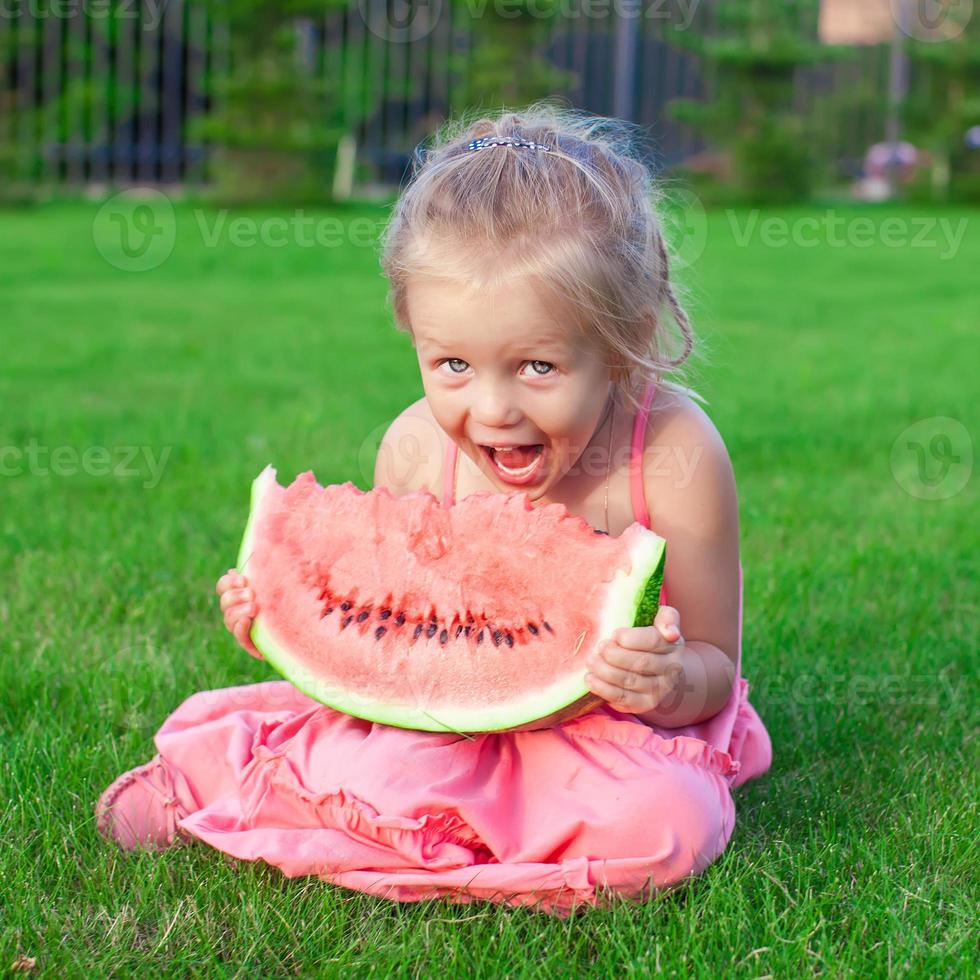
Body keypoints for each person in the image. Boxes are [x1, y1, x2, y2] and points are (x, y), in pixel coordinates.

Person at [95, 103, 772, 916]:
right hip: (443, 728)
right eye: (451, 363)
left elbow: (715, 671)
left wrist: (664, 683)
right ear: (411, 329)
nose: (492, 410)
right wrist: (281, 617)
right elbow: (405, 634)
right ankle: (237, 776)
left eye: (537, 367)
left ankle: (341, 822)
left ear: (623, 336)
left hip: (611, 739)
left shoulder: (675, 456)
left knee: (669, 821)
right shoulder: (416, 447)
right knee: (392, 763)